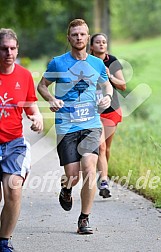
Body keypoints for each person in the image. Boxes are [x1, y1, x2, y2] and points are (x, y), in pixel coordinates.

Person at [37, 19, 113, 234]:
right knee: (73, 175)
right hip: (66, 125)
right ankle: (66, 189)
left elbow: (107, 85)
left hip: (90, 124)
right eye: (75, 34)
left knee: (89, 168)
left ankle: (84, 219)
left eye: (82, 34)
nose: (79, 38)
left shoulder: (97, 64)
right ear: (68, 38)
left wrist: (107, 96)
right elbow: (42, 86)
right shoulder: (57, 63)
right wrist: (51, 99)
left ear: (88, 38)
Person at [0, 28, 43, 251]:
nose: (9, 53)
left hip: (14, 143)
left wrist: (37, 118)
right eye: (4, 48)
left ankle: (3, 241)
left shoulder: (24, 76)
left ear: (18, 50)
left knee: (14, 190)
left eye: (13, 48)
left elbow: (30, 105)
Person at [90, 33, 126, 198]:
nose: (101, 45)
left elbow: (123, 85)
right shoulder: (87, 61)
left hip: (111, 110)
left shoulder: (112, 61)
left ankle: (102, 174)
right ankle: (104, 181)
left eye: (104, 42)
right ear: (91, 46)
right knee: (101, 146)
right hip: (93, 111)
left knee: (107, 147)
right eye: (98, 42)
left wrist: (109, 75)